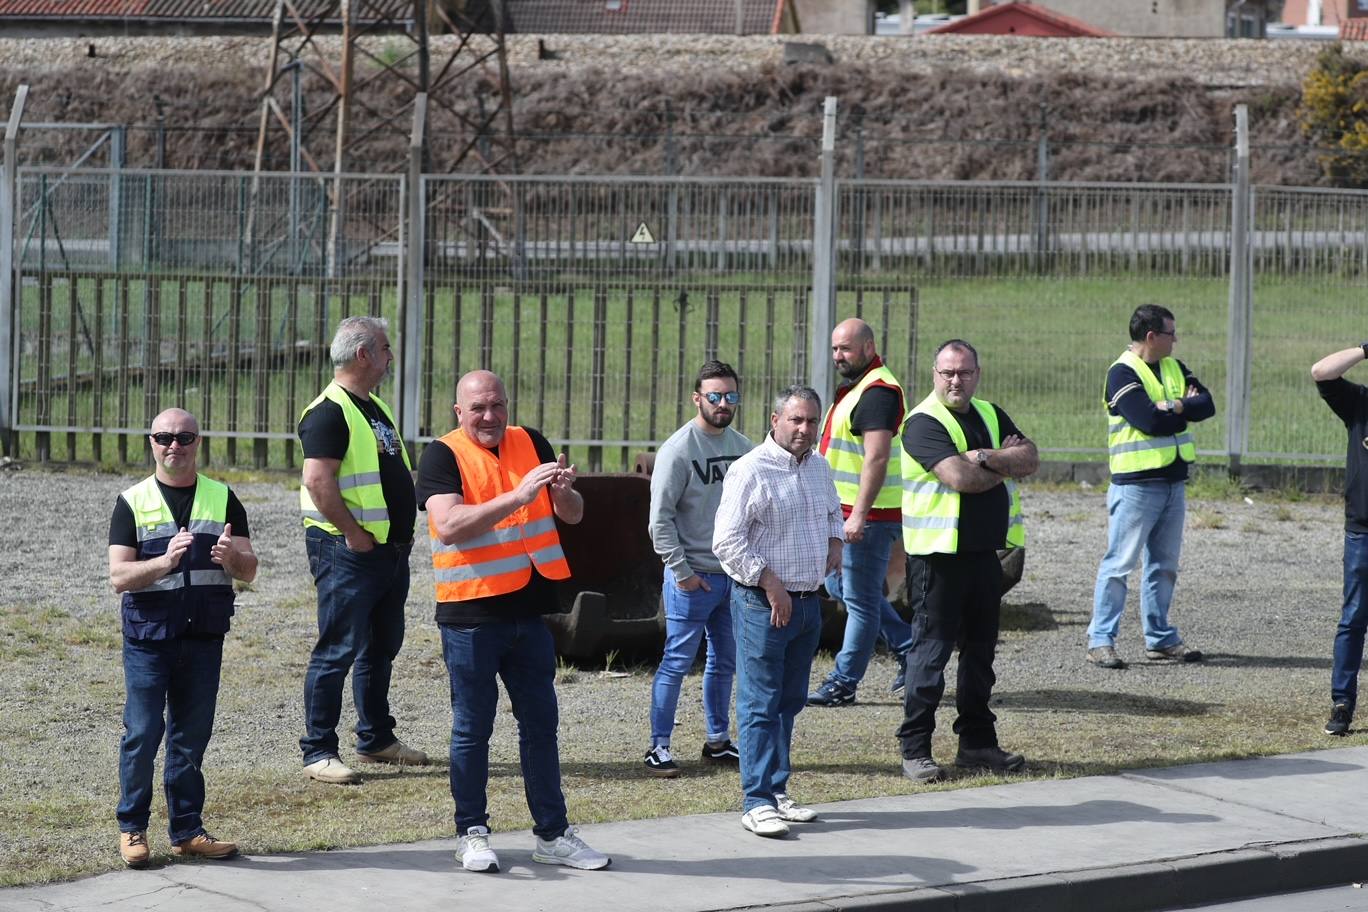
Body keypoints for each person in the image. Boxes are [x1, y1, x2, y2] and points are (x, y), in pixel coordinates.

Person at [417, 369, 611, 873]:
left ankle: (552, 833)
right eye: (478, 408)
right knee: (471, 729)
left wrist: (563, 491)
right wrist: (520, 497)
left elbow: (572, 514)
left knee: (541, 724)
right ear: (459, 411)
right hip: (472, 614)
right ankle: (472, 832)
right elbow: (449, 524)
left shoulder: (531, 441)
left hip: (530, 609)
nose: (490, 416)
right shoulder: (442, 454)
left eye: (498, 405)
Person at [108, 408, 258, 868]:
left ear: (198, 442)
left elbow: (250, 570)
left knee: (190, 737)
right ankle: (132, 828)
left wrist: (233, 557)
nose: (175, 445)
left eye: (185, 437)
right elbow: (119, 576)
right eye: (164, 437)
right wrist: (163, 563)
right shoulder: (132, 501)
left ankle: (187, 830)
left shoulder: (223, 497)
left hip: (203, 639)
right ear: (151, 442)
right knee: (143, 734)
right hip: (150, 639)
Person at [897, 340, 1037, 783]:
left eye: (964, 372)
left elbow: (1030, 458)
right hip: (937, 559)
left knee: (980, 656)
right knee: (930, 656)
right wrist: (1000, 462)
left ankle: (976, 744)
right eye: (947, 373)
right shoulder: (922, 422)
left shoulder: (990, 414)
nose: (955, 381)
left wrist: (983, 457)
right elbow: (959, 479)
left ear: (977, 373)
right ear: (934, 374)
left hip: (983, 555)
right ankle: (915, 748)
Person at [297, 316, 428, 785]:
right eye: (386, 349)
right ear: (363, 354)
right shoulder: (330, 412)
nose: (391, 357)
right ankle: (318, 750)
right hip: (347, 551)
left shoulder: (373, 407)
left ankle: (375, 737)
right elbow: (318, 481)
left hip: (387, 551)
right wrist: (353, 533)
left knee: (381, 645)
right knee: (338, 649)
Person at [713, 386, 844, 838]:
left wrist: (835, 542)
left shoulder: (820, 468)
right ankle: (756, 800)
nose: (805, 430)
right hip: (763, 605)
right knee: (760, 701)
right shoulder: (750, 470)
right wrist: (770, 583)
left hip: (808, 603)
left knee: (789, 701)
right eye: (796, 421)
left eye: (812, 421)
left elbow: (832, 514)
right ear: (775, 420)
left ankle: (777, 788)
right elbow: (727, 542)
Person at [1087, 305, 1215, 670]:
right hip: (1136, 484)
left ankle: (1159, 639)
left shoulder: (1175, 367)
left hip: (1173, 482)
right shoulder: (1122, 373)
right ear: (1151, 337)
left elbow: (1206, 405)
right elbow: (1146, 420)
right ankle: (1100, 640)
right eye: (1171, 333)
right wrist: (1182, 408)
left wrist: (1172, 406)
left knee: (1164, 565)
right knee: (1119, 564)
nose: (1176, 339)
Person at [643, 360, 753, 777]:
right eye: (714, 396)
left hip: (734, 576)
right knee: (677, 660)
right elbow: (660, 521)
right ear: (697, 399)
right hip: (693, 578)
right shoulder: (678, 450)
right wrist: (683, 572)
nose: (723, 404)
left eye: (730, 396)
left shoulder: (743, 447)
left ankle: (718, 741)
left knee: (725, 661)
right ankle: (659, 746)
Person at [808, 317, 915, 707]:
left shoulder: (878, 392)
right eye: (835, 348)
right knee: (845, 589)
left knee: (860, 600)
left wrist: (858, 516)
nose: (838, 355)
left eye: (846, 348)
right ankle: (908, 648)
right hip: (846, 513)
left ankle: (843, 682)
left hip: (868, 516)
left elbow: (877, 457)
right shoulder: (858, 388)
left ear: (868, 348)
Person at [1310, 342, 1368, 736]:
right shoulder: (1358, 402)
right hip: (1362, 530)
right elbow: (1321, 371)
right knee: (1353, 618)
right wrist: (1365, 348)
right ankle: (1342, 702)